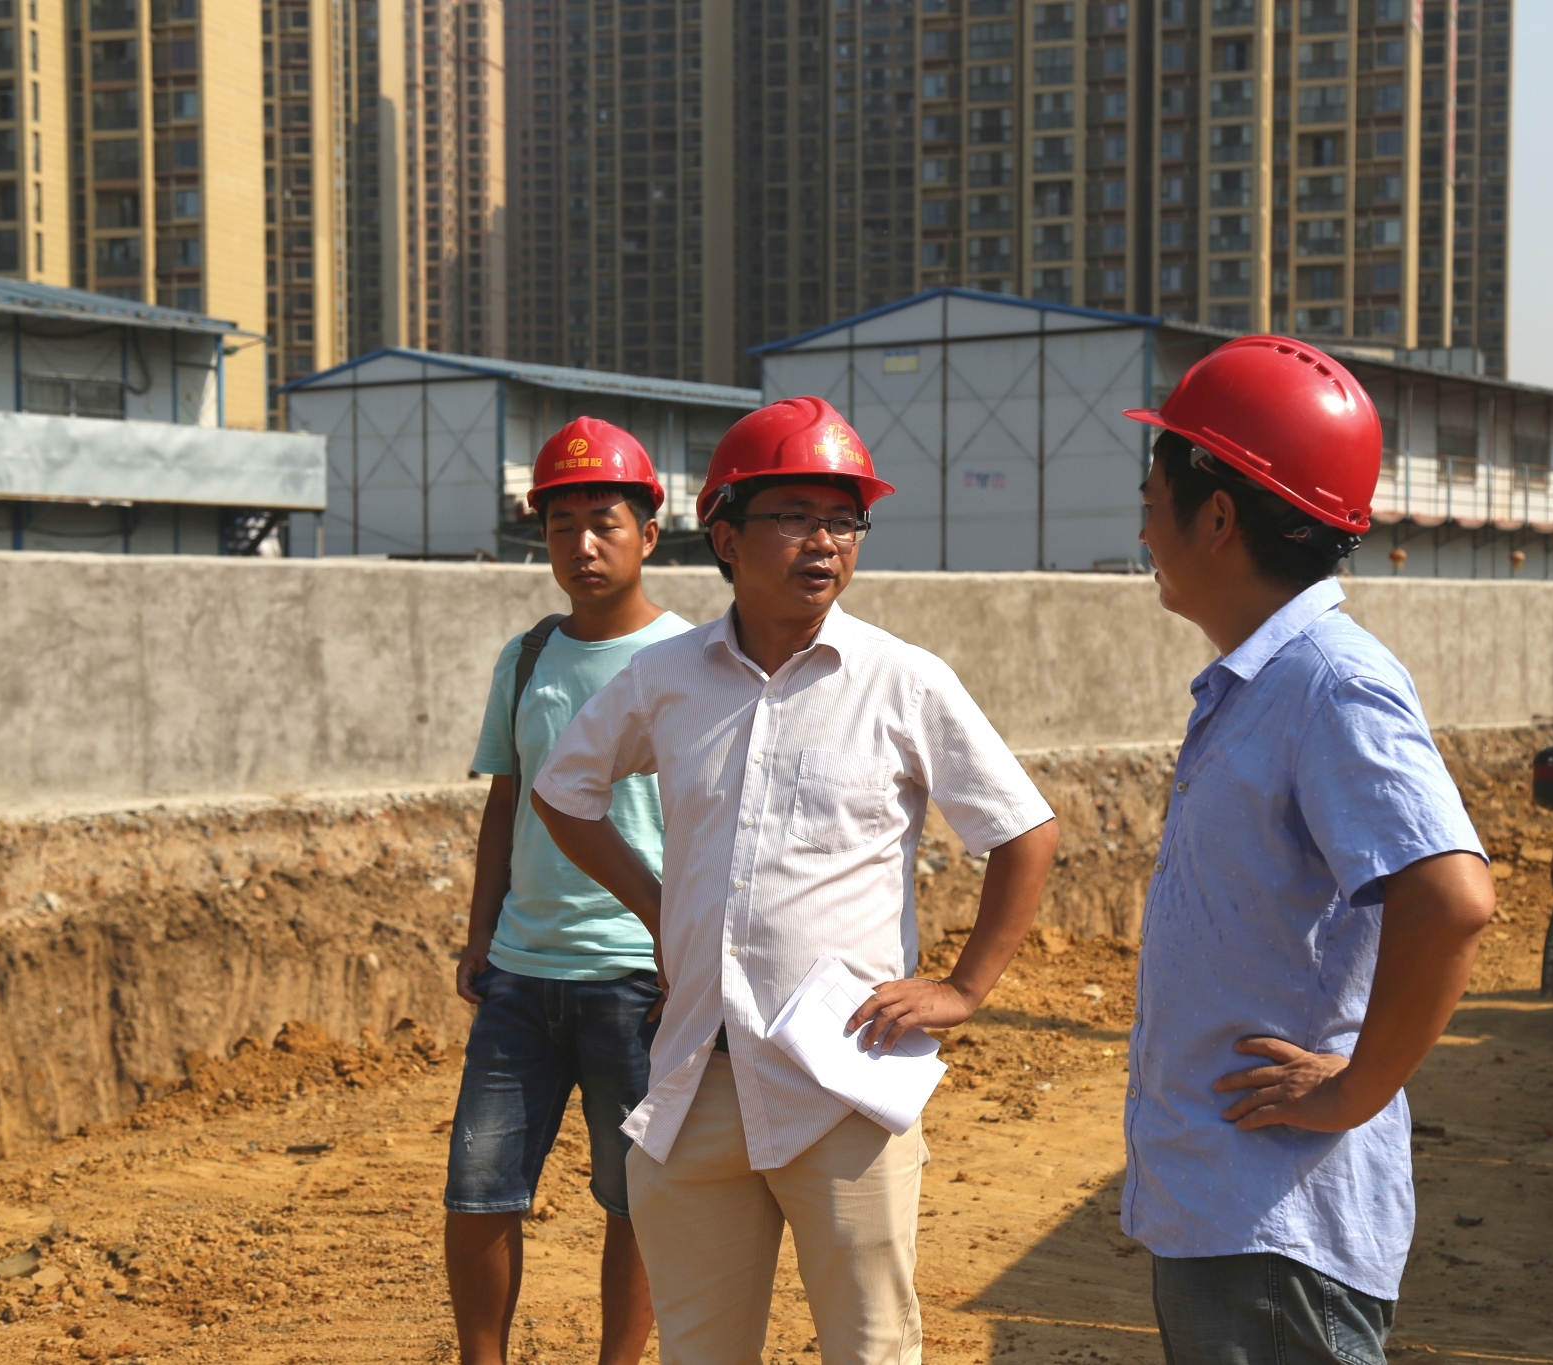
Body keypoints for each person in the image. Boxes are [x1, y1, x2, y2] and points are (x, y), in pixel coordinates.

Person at [528, 396, 1061, 1365]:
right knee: (701, 1350)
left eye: (844, 519)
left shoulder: (902, 680)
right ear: (725, 536)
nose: (824, 541)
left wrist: (964, 986)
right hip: (695, 1077)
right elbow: (564, 791)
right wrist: (659, 908)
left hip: (842, 1083)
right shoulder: (667, 676)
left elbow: (1022, 830)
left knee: (869, 1349)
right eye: (794, 516)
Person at [1119, 336, 1495, 1364]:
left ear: (1216, 517)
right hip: (1229, 1210)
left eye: (1150, 497)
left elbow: (1450, 897)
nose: (1143, 526)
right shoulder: (1266, 682)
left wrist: (1353, 1091)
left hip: (1276, 1228)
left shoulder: (1330, 681)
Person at [442, 417, 694, 1365]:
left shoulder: (691, 660)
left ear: (648, 533)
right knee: (479, 1189)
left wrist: (685, 949)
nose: (581, 546)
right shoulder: (528, 658)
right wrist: (480, 934)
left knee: (637, 1199)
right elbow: (505, 803)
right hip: (520, 972)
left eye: (603, 524)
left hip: (638, 977)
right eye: (561, 527)